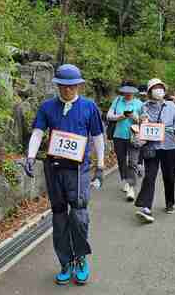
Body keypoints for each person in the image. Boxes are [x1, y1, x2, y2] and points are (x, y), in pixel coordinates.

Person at [23, 64, 105, 285]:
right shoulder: (48, 107)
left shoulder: (89, 107)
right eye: (63, 86)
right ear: (57, 86)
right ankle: (65, 261)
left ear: (79, 85)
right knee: (59, 217)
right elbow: (38, 132)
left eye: (71, 86)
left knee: (78, 215)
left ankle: (80, 258)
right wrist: (30, 156)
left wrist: (101, 166)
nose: (67, 90)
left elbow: (97, 137)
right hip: (55, 169)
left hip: (78, 170)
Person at [134, 78, 175, 223]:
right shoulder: (144, 107)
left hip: (170, 146)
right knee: (149, 176)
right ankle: (146, 207)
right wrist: (141, 125)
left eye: (160, 87)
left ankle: (170, 202)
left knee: (169, 176)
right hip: (151, 146)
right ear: (149, 91)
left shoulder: (171, 105)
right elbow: (142, 123)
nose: (158, 90)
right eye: (155, 87)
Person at [106, 81, 143, 201]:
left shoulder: (139, 104)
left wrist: (134, 117)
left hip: (134, 136)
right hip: (118, 135)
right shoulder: (117, 101)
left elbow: (144, 121)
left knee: (132, 161)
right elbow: (108, 115)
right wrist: (120, 117)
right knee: (121, 160)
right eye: (126, 91)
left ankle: (131, 187)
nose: (128, 94)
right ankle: (125, 180)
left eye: (130, 92)